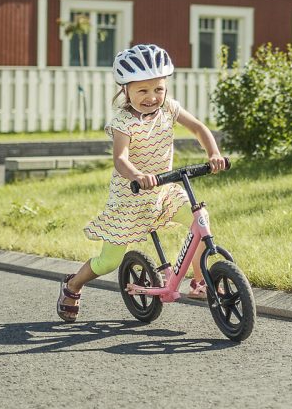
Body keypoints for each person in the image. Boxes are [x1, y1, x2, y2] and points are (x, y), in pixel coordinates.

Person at [57, 44, 227, 322]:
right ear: (126, 90)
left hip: (164, 188)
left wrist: (213, 153)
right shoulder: (123, 122)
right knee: (109, 261)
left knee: (200, 221)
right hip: (131, 196)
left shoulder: (169, 109)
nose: (152, 97)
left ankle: (201, 280)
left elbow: (198, 128)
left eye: (158, 89)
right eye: (143, 91)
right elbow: (121, 159)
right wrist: (136, 174)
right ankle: (73, 284)